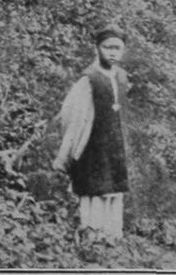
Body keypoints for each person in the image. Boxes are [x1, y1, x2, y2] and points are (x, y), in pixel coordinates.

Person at [52, 24, 130, 255]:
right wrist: (68, 151)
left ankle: (110, 236)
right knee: (94, 188)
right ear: (97, 48)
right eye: (107, 47)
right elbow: (73, 116)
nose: (112, 53)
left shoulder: (121, 77)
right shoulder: (89, 80)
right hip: (93, 144)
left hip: (114, 144)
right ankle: (91, 237)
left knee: (113, 187)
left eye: (117, 48)